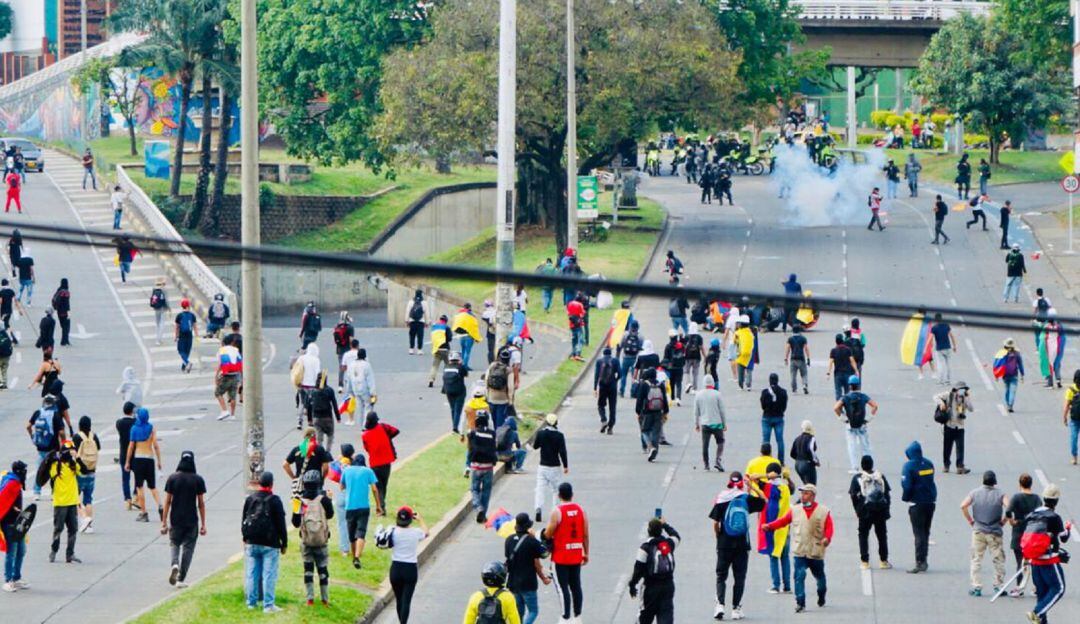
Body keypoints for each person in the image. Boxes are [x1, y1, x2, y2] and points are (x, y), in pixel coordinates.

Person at [763, 484, 833, 613]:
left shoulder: (823, 511)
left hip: (816, 551)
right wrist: (770, 526)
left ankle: (821, 595)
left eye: (806, 493)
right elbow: (783, 521)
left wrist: (827, 539)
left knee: (820, 578)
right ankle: (800, 602)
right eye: (802, 493)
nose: (803, 496)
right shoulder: (795, 510)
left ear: (812, 496)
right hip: (800, 550)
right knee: (799, 575)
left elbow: (829, 528)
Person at [709, 472, 765, 620]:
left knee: (721, 576)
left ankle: (720, 605)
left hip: (724, 544)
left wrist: (718, 537)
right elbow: (763, 501)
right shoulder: (746, 498)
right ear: (741, 483)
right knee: (739, 577)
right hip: (742, 544)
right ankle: (736, 609)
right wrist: (752, 486)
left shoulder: (722, 498)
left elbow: (715, 522)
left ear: (729, 482)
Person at [241, 471, 287, 613]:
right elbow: (281, 524)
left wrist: (245, 537)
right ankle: (268, 605)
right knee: (269, 574)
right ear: (272, 484)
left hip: (252, 541)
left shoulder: (250, 499)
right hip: (270, 543)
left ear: (259, 483)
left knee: (252, 573)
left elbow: (244, 518)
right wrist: (284, 542)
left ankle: (251, 603)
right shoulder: (275, 500)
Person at [542, 482, 588, 623]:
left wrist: (544, 533)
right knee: (576, 586)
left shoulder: (557, 512)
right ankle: (577, 616)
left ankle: (565, 617)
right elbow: (585, 535)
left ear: (559, 495)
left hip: (561, 557)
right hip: (575, 555)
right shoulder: (581, 510)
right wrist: (586, 552)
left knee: (563, 589)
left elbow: (548, 534)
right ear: (572, 495)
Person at [1025, 484, 1071, 624]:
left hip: (1034, 562)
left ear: (1044, 498)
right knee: (1058, 588)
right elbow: (1063, 537)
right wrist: (1068, 528)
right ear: (1056, 501)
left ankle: (1040, 618)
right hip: (1049, 561)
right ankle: (1036, 613)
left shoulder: (1033, 514)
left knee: (1042, 594)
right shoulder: (1054, 517)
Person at [162, 450, 207, 588]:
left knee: (174, 543)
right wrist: (203, 524)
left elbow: (168, 501)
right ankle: (181, 578)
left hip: (176, 518)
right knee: (188, 548)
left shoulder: (172, 478)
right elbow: (200, 503)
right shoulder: (197, 479)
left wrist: (163, 522)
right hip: (191, 519)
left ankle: (174, 563)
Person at [961, 470, 1007, 596]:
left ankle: (977, 587)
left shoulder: (974, 493)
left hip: (978, 530)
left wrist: (971, 521)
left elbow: (963, 505)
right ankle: (998, 586)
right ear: (994, 482)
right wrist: (1003, 521)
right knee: (998, 559)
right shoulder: (1000, 494)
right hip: (995, 532)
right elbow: (1009, 507)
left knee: (976, 559)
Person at [291, 469, 333, 606]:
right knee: (323, 570)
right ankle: (325, 599)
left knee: (308, 570)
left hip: (306, 541)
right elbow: (330, 515)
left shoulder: (300, 502)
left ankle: (310, 599)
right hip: (321, 541)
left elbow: (295, 523)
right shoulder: (324, 499)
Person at [628, 518, 681, 624]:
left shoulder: (645, 548)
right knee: (665, 617)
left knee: (645, 617)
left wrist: (632, 585)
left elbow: (638, 569)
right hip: (668, 586)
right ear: (661, 530)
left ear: (649, 531)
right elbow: (676, 536)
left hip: (651, 588)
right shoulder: (668, 544)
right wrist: (665, 524)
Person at [380, 506, 427, 623]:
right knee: (406, 601)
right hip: (410, 569)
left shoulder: (393, 531)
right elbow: (427, 532)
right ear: (411, 519)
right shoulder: (416, 533)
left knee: (399, 600)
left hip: (395, 569)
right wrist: (420, 519)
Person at [505, 512, 549, 624]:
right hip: (528, 583)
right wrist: (537, 539)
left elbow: (508, 557)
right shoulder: (531, 541)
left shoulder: (509, 540)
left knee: (518, 612)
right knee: (533, 611)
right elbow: (545, 554)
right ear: (528, 527)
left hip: (513, 583)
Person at [849, 455, 891, 569]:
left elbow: (853, 495)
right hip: (880, 511)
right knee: (882, 535)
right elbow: (887, 494)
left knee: (863, 535)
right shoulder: (880, 476)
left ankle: (864, 561)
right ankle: (883, 561)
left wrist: (857, 510)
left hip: (865, 511)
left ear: (862, 465)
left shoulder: (858, 478)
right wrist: (887, 510)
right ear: (872, 464)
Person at [341, 452, 382, 570]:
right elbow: (374, 489)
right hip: (364, 506)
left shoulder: (347, 471)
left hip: (350, 506)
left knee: (351, 533)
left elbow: (342, 486)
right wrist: (378, 505)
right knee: (361, 532)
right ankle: (357, 557)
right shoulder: (368, 471)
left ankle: (354, 555)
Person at [901, 441, 937, 573]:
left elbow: (907, 485)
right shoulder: (928, 463)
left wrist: (905, 498)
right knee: (926, 532)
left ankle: (919, 561)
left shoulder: (908, 466)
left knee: (918, 533)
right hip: (930, 502)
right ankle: (924, 559)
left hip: (916, 503)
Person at [45, 441, 83, 563]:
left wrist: (77, 458)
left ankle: (70, 554)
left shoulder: (73, 465)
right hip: (60, 503)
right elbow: (48, 472)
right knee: (58, 529)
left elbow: (84, 470)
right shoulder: (55, 466)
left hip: (72, 502)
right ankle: (54, 551)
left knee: (73, 529)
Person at [1004, 473, 1041, 598]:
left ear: (1020, 484)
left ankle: (1019, 587)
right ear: (1031, 484)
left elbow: (1008, 511)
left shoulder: (1016, 497)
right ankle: (1037, 587)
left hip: (1019, 530)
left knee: (1020, 561)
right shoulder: (1036, 499)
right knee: (1035, 561)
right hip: (1033, 531)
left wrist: (1011, 521)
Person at [125, 407, 163, 523]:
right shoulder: (151, 428)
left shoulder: (134, 428)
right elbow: (155, 445)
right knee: (152, 486)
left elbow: (131, 446)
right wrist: (159, 461)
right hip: (149, 459)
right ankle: (161, 505)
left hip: (138, 459)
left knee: (140, 487)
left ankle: (144, 512)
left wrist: (127, 461)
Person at [834, 376, 877, 473]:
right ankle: (868, 467)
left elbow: (836, 408)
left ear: (849, 386)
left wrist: (843, 419)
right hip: (862, 425)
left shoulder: (846, 398)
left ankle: (855, 467)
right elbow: (875, 406)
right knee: (865, 446)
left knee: (851, 446)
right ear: (858, 385)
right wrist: (868, 419)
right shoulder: (863, 396)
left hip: (850, 425)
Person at [533, 413, 568, 521]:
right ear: (556, 423)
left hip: (543, 466)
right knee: (556, 490)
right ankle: (555, 512)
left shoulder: (541, 434)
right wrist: (565, 465)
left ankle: (538, 508)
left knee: (540, 488)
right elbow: (562, 452)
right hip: (555, 466)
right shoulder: (559, 436)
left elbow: (535, 446)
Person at [362, 412, 398, 513]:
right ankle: (382, 505)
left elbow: (366, 448)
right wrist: (387, 438)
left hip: (374, 464)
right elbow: (395, 431)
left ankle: (380, 506)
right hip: (386, 462)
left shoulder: (365, 435)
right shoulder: (383, 427)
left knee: (378, 486)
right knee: (384, 484)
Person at [1, 461, 29, 592]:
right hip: (9, 523)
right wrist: (14, 509)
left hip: (19, 522)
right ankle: (8, 580)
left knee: (21, 550)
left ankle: (16, 578)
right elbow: (3, 502)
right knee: (11, 552)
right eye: (24, 470)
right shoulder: (11, 483)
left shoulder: (15, 482)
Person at [935, 381, 973, 474]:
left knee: (960, 447)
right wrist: (941, 403)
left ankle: (960, 466)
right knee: (947, 447)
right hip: (949, 425)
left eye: (964, 390)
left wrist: (967, 398)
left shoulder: (965, 398)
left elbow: (971, 409)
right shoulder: (949, 395)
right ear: (956, 389)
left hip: (960, 426)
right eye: (960, 390)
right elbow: (935, 397)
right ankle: (946, 465)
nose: (961, 392)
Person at [72, 416, 100, 534]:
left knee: (75, 497)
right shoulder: (94, 436)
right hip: (92, 471)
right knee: (88, 499)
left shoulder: (77, 437)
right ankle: (90, 525)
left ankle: (84, 519)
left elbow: (73, 452)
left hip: (80, 472)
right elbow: (98, 448)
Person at [467, 412, 497, 524]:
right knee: (486, 491)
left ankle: (478, 506)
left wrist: (468, 464)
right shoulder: (492, 434)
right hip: (488, 466)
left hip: (476, 466)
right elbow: (494, 447)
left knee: (474, 489)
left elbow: (469, 449)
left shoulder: (472, 433)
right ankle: (483, 515)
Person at [636, 368, 669, 462]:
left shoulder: (644, 385)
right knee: (656, 432)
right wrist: (666, 411)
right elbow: (664, 399)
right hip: (658, 411)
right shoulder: (660, 384)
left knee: (645, 430)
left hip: (647, 412)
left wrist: (638, 412)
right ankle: (654, 450)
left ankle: (650, 447)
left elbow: (640, 399)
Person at [694, 377, 726, 471]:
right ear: (713, 384)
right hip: (717, 424)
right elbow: (722, 411)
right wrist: (724, 424)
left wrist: (696, 424)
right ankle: (718, 460)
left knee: (705, 444)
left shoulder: (698, 395)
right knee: (720, 442)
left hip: (705, 424)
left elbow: (696, 412)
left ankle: (706, 464)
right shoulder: (717, 394)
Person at [306, 372, 340, 452]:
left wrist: (309, 419)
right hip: (328, 417)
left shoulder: (312, 391)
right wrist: (338, 417)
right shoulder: (330, 390)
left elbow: (309, 406)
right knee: (330, 436)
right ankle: (328, 452)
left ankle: (320, 453)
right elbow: (334, 404)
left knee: (319, 438)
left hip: (316, 418)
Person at [344, 348, 377, 425]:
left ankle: (361, 424)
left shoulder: (351, 365)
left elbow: (348, 378)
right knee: (368, 407)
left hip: (355, 390)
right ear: (365, 356)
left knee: (359, 408)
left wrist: (349, 391)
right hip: (365, 390)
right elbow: (370, 380)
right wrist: (373, 393)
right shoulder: (366, 365)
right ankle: (366, 425)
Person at [760, 373, 788, 461]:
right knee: (780, 440)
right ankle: (781, 459)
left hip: (767, 417)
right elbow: (784, 405)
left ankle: (765, 458)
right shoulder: (783, 392)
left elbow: (763, 405)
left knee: (766, 440)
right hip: (779, 417)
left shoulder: (765, 392)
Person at [593, 346, 620, 434]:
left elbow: (597, 375)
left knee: (601, 405)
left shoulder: (599, 361)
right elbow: (620, 373)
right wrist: (615, 380)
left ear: (603, 353)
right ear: (610, 353)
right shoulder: (615, 361)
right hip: (612, 386)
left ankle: (603, 420)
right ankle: (610, 427)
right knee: (612, 407)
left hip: (602, 386)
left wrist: (595, 388)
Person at [485, 349, 514, 429]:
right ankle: (498, 438)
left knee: (492, 420)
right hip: (503, 400)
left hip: (491, 398)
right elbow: (510, 387)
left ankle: (493, 437)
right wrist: (510, 401)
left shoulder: (492, 366)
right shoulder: (508, 370)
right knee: (500, 422)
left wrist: (487, 394)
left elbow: (486, 380)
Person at [115, 402, 136, 509]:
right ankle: (136, 494)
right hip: (135, 453)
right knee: (138, 476)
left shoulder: (119, 423)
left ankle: (127, 499)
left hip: (123, 452)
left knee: (125, 478)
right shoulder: (135, 423)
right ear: (132, 411)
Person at [442, 351, 469, 434]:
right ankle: (455, 427)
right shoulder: (460, 367)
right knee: (458, 409)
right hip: (459, 390)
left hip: (448, 390)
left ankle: (454, 425)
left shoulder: (446, 367)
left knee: (453, 409)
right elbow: (466, 374)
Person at [825, 334, 858, 400]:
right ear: (843, 341)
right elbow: (852, 361)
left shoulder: (833, 350)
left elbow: (830, 362)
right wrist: (856, 371)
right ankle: (848, 407)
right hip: (847, 374)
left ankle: (839, 408)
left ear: (836, 341)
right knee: (847, 392)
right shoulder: (848, 350)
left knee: (838, 392)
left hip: (838, 374)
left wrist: (828, 373)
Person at [926, 314, 956, 384]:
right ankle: (948, 380)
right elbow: (952, 336)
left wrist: (926, 348)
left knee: (940, 365)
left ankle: (941, 381)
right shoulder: (946, 326)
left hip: (939, 349)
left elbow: (930, 338)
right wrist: (954, 346)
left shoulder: (934, 328)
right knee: (949, 365)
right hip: (948, 348)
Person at [452, 303, 483, 370]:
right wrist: (477, 337)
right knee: (467, 352)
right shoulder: (471, 316)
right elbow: (474, 327)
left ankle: (461, 364)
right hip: (469, 336)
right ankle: (464, 366)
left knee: (463, 350)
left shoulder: (459, 314)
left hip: (461, 335)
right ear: (469, 308)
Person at [999, 338, 1025, 412]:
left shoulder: (1002, 353)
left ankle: (1008, 404)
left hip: (1005, 375)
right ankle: (1010, 405)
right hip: (1014, 374)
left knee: (1007, 389)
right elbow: (1020, 364)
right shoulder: (1017, 353)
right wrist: (1022, 374)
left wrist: (997, 375)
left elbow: (998, 364)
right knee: (1012, 391)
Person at [789, 420, 819, 485]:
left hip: (797, 465)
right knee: (811, 487)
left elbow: (792, 453)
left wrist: (799, 459)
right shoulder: (811, 438)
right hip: (807, 464)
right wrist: (815, 461)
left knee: (806, 485)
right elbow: (810, 449)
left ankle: (803, 494)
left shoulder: (797, 439)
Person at [428, 314, 453, 388]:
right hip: (445, 349)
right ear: (446, 321)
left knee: (435, 366)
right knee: (448, 366)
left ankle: (431, 380)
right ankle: (447, 381)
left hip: (437, 349)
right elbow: (450, 338)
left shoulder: (434, 327)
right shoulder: (446, 327)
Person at [174, 299, 198, 373]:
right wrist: (197, 335)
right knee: (187, 351)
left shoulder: (179, 316)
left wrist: (176, 336)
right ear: (188, 306)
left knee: (181, 350)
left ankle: (187, 363)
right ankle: (184, 366)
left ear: (182, 306)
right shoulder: (192, 315)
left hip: (182, 335)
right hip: (189, 335)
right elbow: (195, 326)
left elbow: (177, 327)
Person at [784, 325, 809, 394]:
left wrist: (786, 358)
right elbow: (806, 349)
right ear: (799, 330)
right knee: (804, 374)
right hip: (801, 358)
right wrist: (808, 358)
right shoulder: (803, 338)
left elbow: (788, 349)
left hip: (793, 359)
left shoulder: (790, 339)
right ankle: (804, 385)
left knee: (793, 375)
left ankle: (794, 389)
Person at [405, 290, 428, 355]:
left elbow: (407, 311)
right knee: (420, 336)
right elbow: (427, 313)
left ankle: (411, 349)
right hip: (421, 321)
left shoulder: (410, 302)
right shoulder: (424, 302)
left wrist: (406, 320)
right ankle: (419, 350)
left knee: (412, 335)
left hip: (412, 321)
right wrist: (427, 322)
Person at [1065, 369, 1080, 465]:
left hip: (1074, 418)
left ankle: (1074, 458)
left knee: (1074, 438)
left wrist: (1064, 417)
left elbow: (1066, 405)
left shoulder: (1071, 390)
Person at [50, 279, 71, 346]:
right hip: (65, 312)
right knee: (66, 327)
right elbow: (67, 303)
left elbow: (55, 299)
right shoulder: (66, 292)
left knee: (63, 326)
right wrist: (68, 312)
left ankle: (65, 340)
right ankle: (64, 341)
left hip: (59, 311)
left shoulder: (59, 290)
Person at [149, 277, 170, 345]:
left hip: (156, 308)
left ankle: (157, 339)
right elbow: (166, 300)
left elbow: (152, 298)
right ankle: (159, 340)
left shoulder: (154, 289)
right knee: (162, 324)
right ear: (163, 283)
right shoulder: (164, 290)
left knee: (157, 324)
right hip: (163, 308)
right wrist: (169, 308)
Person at [567, 296, 586, 362]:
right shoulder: (580, 305)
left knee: (574, 340)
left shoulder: (570, 303)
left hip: (571, 324)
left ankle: (573, 354)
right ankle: (578, 354)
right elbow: (582, 314)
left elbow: (568, 313)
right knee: (580, 340)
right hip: (578, 324)